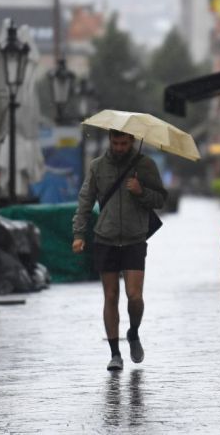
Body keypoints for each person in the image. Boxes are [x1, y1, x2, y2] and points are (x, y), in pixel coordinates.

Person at [72, 129, 166, 371]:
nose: (120, 147)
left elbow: (160, 199)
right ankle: (115, 353)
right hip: (105, 238)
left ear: (132, 141)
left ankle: (133, 332)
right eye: (116, 142)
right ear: (110, 140)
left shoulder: (145, 165)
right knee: (110, 296)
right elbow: (85, 201)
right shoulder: (97, 166)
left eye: (124, 143)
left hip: (135, 238)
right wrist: (79, 234)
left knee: (134, 297)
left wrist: (140, 191)